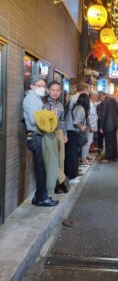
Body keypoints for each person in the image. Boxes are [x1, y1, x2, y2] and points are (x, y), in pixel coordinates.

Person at [23, 75, 59, 207]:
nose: (43, 88)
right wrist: (50, 115)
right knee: (41, 167)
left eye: (44, 86)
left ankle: (39, 196)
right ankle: (42, 197)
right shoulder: (31, 98)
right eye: (40, 86)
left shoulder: (36, 98)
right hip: (35, 135)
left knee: (41, 166)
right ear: (32, 86)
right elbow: (34, 120)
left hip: (38, 135)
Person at [44, 81, 69, 194]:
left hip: (59, 132)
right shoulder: (43, 103)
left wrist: (64, 134)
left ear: (60, 92)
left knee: (61, 159)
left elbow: (63, 120)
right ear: (48, 90)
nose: (55, 92)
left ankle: (59, 185)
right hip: (49, 132)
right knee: (53, 160)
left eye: (57, 90)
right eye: (52, 90)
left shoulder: (60, 104)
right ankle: (62, 180)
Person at [65, 93, 90, 183]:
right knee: (73, 155)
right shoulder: (81, 109)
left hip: (68, 131)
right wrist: (82, 127)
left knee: (69, 154)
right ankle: (72, 177)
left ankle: (69, 175)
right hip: (73, 132)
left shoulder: (75, 107)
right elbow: (76, 122)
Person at [99, 91, 118, 163]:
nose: (100, 99)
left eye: (100, 97)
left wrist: (101, 126)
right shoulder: (113, 100)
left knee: (108, 141)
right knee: (114, 141)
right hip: (114, 124)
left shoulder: (105, 102)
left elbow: (104, 114)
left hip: (108, 124)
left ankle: (107, 158)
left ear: (102, 95)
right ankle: (115, 157)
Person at [80, 91, 98, 166]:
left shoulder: (91, 104)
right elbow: (89, 117)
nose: (97, 97)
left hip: (91, 126)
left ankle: (86, 155)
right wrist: (91, 126)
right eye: (96, 96)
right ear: (93, 96)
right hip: (89, 126)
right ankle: (83, 158)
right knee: (87, 142)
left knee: (89, 142)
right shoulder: (89, 104)